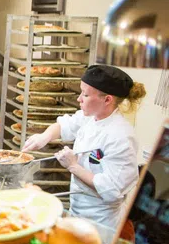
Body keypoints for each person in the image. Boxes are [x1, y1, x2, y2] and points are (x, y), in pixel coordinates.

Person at [23, 65, 147, 228]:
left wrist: (74, 166)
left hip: (100, 221)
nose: (79, 99)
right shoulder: (90, 116)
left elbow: (112, 190)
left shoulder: (121, 136)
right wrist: (44, 137)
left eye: (86, 95)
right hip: (78, 210)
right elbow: (64, 125)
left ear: (107, 99)